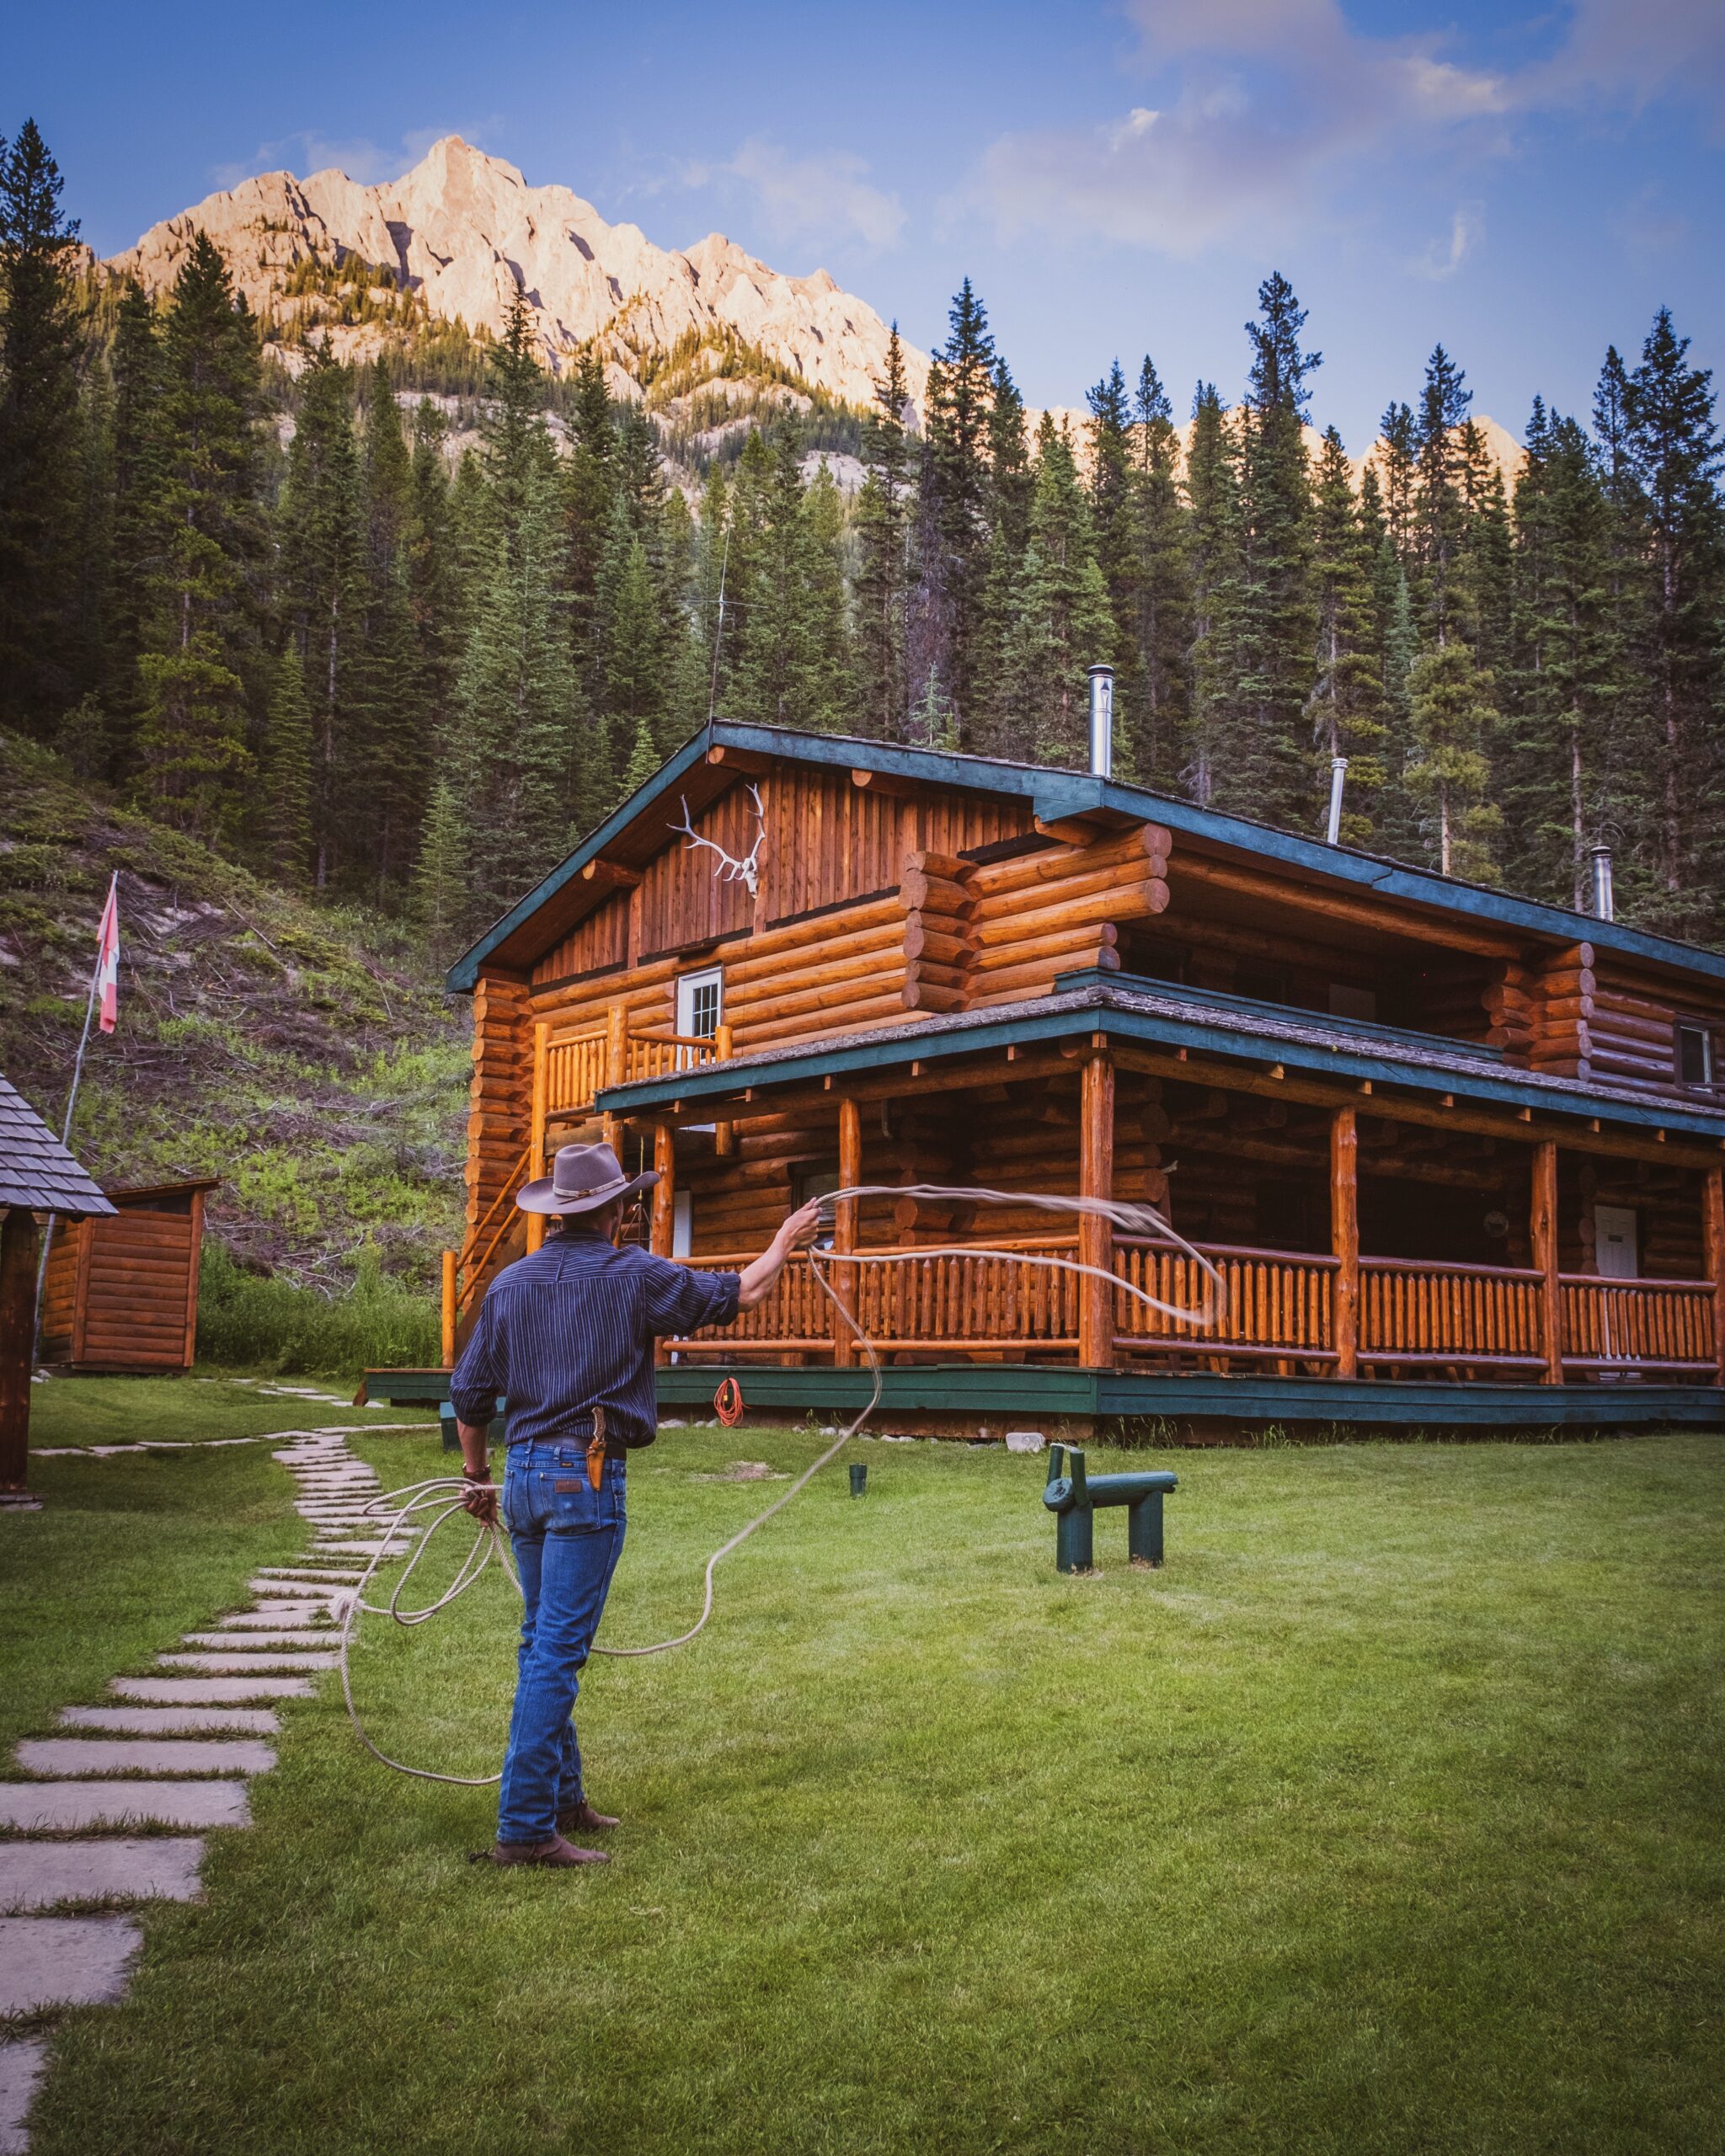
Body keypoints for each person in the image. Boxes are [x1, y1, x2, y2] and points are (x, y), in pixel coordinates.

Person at [450, 1140, 820, 1869]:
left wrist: (477, 1477)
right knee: (555, 1650)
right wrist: (783, 1240)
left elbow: (468, 1397)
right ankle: (525, 1829)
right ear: (616, 1211)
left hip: (521, 1476)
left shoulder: (510, 1285)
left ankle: (561, 1800)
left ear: (558, 1213)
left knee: (541, 1642)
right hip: (583, 1476)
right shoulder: (633, 1276)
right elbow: (739, 1294)